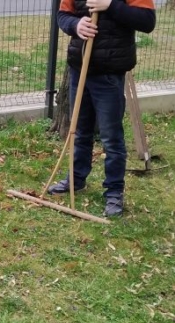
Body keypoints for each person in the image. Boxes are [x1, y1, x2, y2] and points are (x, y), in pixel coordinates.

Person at [48, 0, 156, 217]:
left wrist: (111, 5)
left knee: (111, 137)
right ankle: (76, 178)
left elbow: (147, 21)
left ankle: (114, 191)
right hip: (79, 68)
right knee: (79, 132)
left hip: (109, 72)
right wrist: (75, 26)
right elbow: (63, 15)